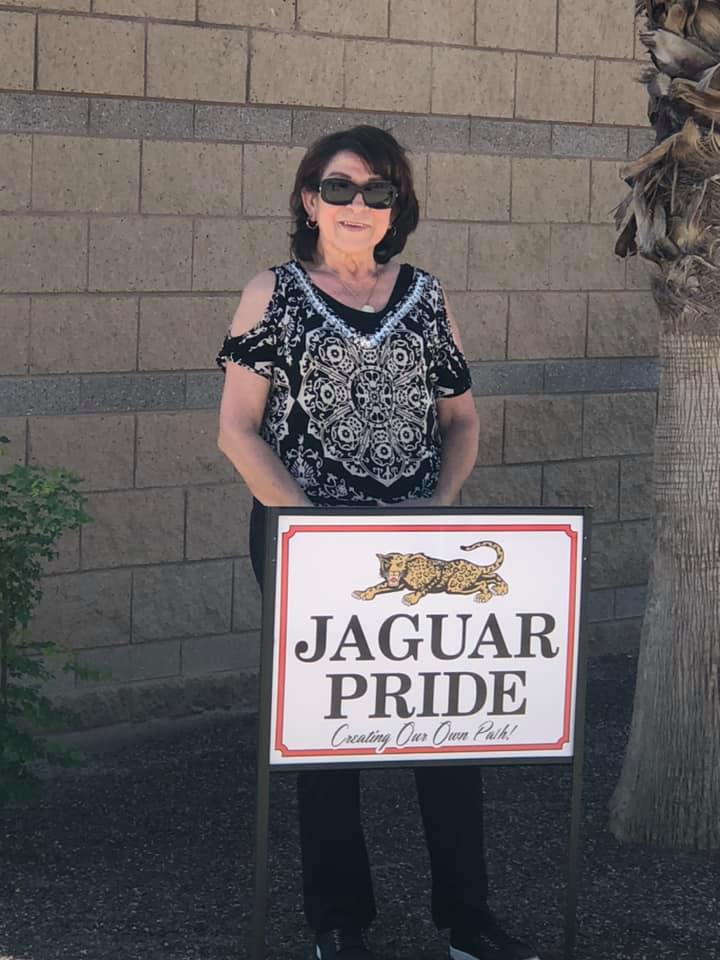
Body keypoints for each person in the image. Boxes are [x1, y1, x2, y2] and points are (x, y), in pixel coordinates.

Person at [216, 125, 540, 960]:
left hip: (418, 543)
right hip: (307, 541)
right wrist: (311, 528)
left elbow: (462, 420)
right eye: (339, 187)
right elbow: (238, 432)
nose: (358, 205)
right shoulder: (273, 293)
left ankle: (467, 918)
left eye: (378, 191)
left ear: (398, 207)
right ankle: (339, 920)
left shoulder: (426, 295)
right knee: (328, 728)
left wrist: (436, 507)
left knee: (448, 721)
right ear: (308, 199)